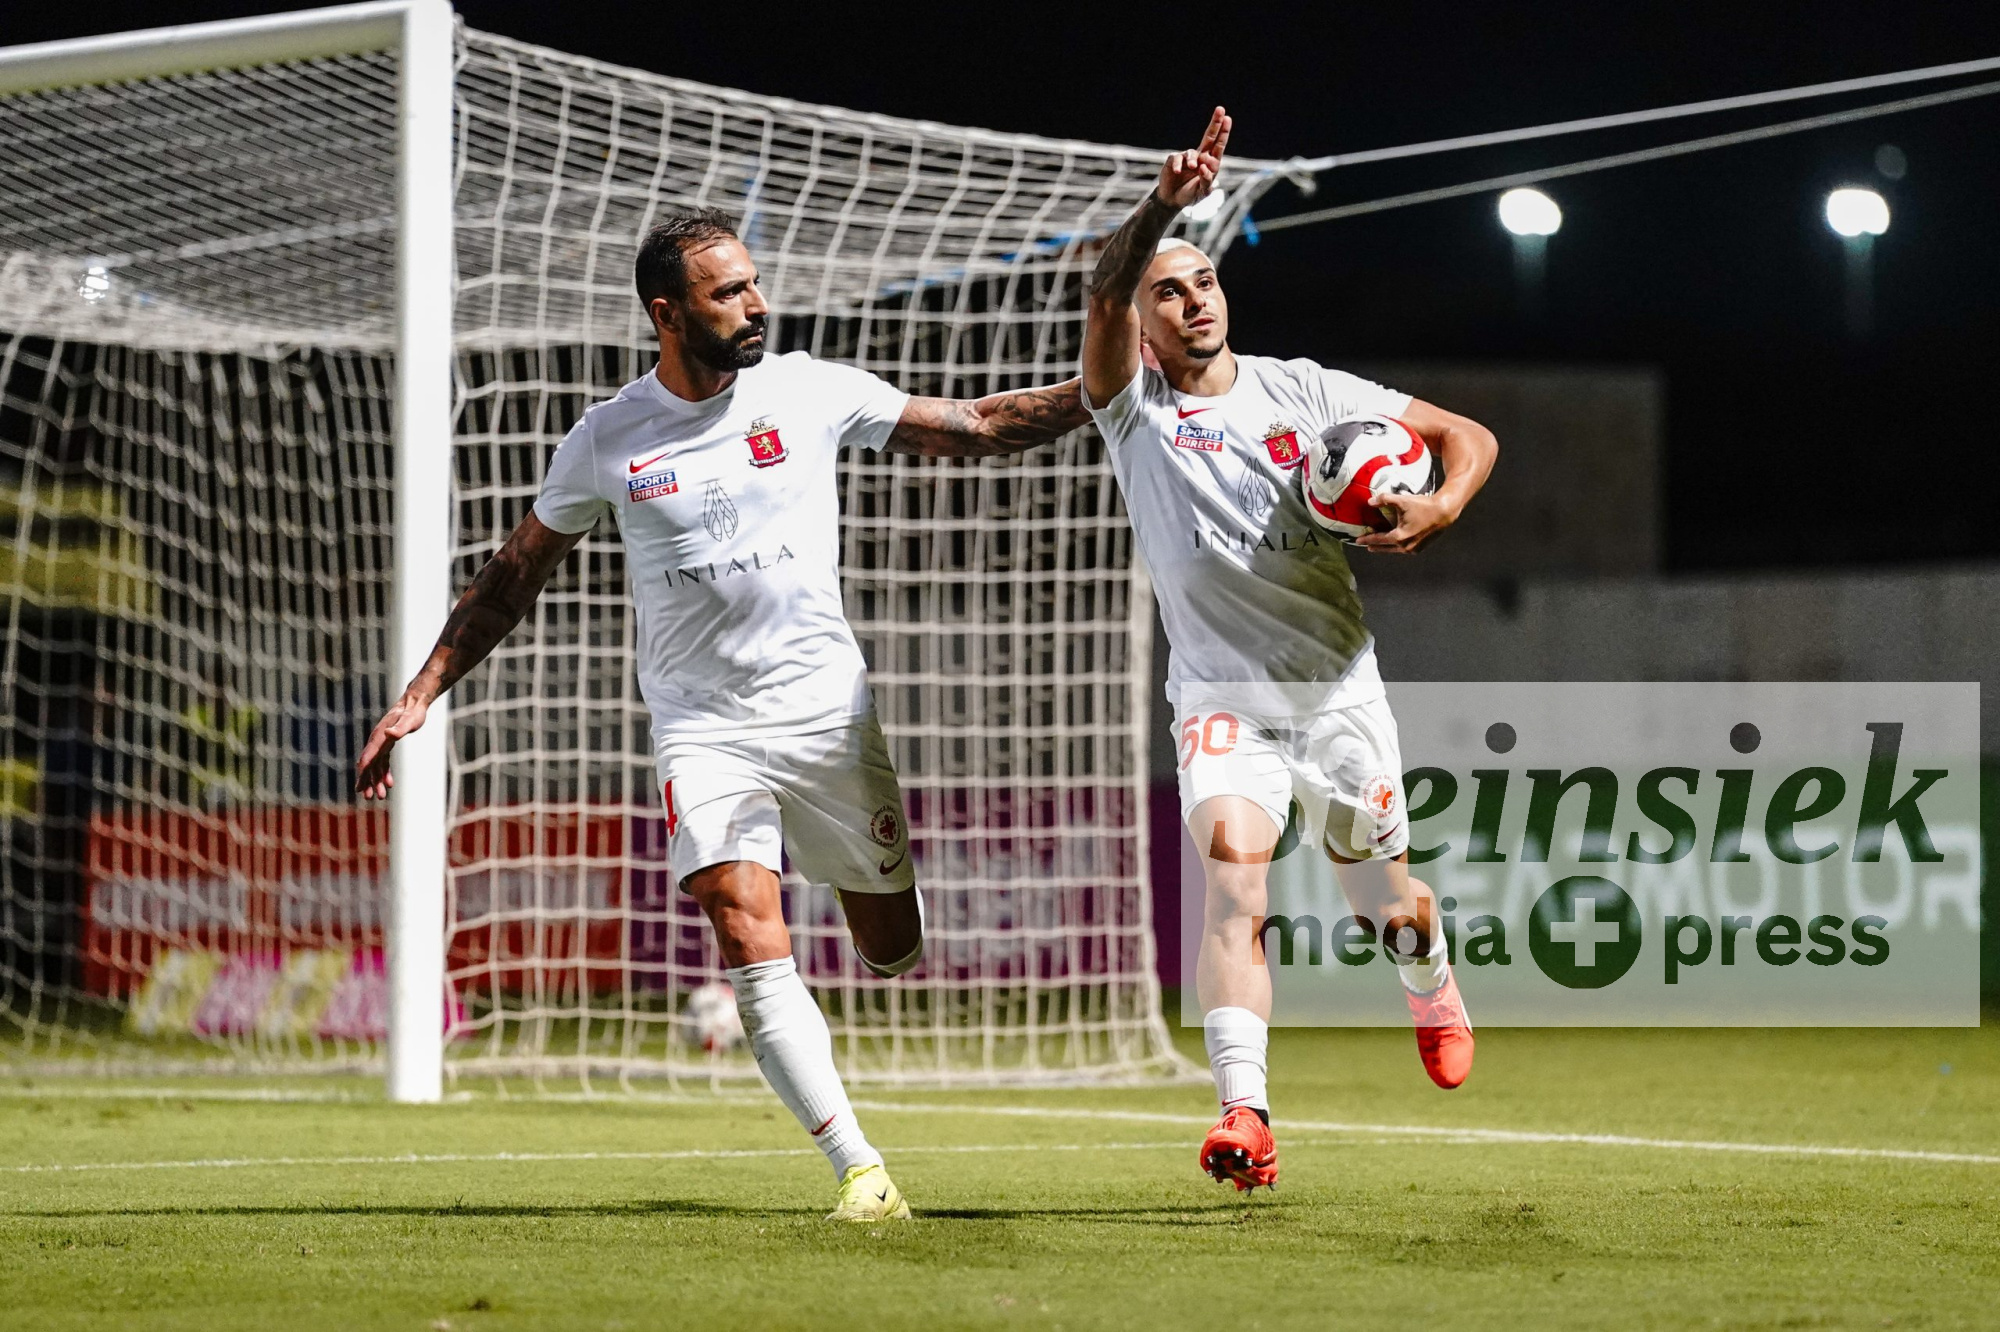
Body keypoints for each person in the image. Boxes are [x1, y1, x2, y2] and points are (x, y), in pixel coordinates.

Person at [356, 207, 1088, 1221]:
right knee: (743, 926)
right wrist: (417, 696)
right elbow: (512, 575)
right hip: (702, 727)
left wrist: (1099, 390)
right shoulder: (607, 437)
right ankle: (860, 1171)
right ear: (668, 314)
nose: (756, 304)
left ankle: (871, 920)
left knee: (890, 950)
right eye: (729, 291)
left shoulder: (807, 389)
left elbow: (972, 426)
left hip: (825, 718)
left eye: (752, 283)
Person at [1080, 109, 1499, 1192]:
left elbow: (1470, 436)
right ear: (1143, 321)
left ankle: (1429, 978)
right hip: (1220, 702)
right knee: (1234, 888)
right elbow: (1102, 291)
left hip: (1337, 696)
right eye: (1168, 292)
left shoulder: (1305, 392)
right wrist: (1162, 208)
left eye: (1204, 282)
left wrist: (1442, 505)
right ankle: (1244, 1114)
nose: (1194, 300)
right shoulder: (1128, 410)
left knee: (1387, 909)